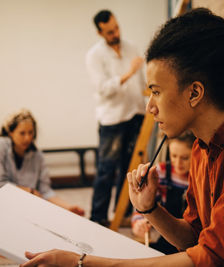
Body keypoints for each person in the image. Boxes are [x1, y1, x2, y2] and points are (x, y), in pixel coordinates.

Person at [20, 8, 224, 266]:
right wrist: (151, 209)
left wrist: (81, 262)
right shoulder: (202, 150)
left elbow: (215, 259)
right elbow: (194, 239)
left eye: (156, 92)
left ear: (194, 93)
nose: (150, 106)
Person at [85, 10, 146, 226]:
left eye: (117, 27)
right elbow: (103, 89)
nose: (115, 33)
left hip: (136, 113)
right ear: (100, 32)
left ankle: (124, 214)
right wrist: (127, 74)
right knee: (106, 170)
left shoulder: (132, 47)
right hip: (112, 119)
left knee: (130, 169)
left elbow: (141, 82)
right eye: (110, 31)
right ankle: (98, 217)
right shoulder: (94, 56)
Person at [0, 109, 84, 216]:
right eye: (22, 133)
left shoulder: (37, 156)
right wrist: (30, 191)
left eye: (30, 132)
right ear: (11, 133)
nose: (27, 138)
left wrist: (68, 208)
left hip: (21, 209)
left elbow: (45, 191)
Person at [131, 131, 195, 254]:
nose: (178, 163)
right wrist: (138, 222)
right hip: (168, 237)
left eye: (185, 158)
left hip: (194, 243)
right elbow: (143, 204)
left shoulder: (200, 177)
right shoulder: (161, 172)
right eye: (174, 156)